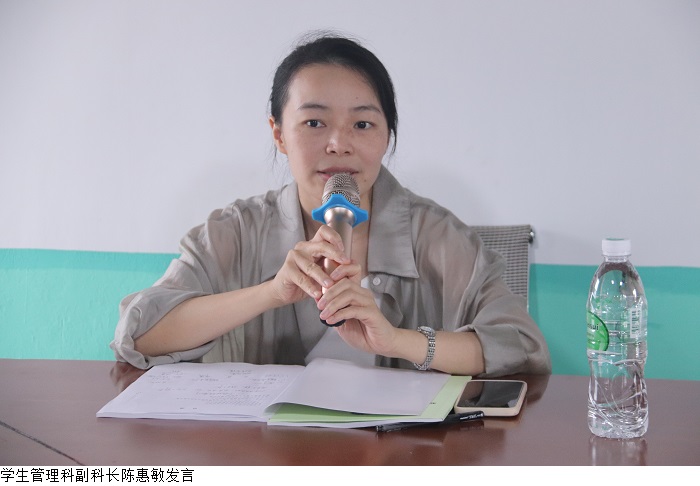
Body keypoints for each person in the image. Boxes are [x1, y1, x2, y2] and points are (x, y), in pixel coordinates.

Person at [111, 33, 551, 377]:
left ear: (387, 136)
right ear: (279, 134)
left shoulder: (437, 236)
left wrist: (399, 341)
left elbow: (523, 347)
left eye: (362, 124)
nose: (339, 144)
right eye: (314, 122)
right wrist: (270, 293)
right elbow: (139, 333)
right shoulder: (234, 232)